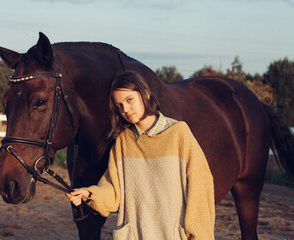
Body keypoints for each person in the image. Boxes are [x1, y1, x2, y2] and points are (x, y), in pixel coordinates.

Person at [66, 71, 215, 240]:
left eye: (129, 100)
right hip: (136, 234)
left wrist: (200, 235)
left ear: (145, 94)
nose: (125, 110)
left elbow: (200, 189)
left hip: (173, 234)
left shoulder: (179, 133)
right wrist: (90, 194)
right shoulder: (123, 141)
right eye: (119, 105)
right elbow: (113, 190)